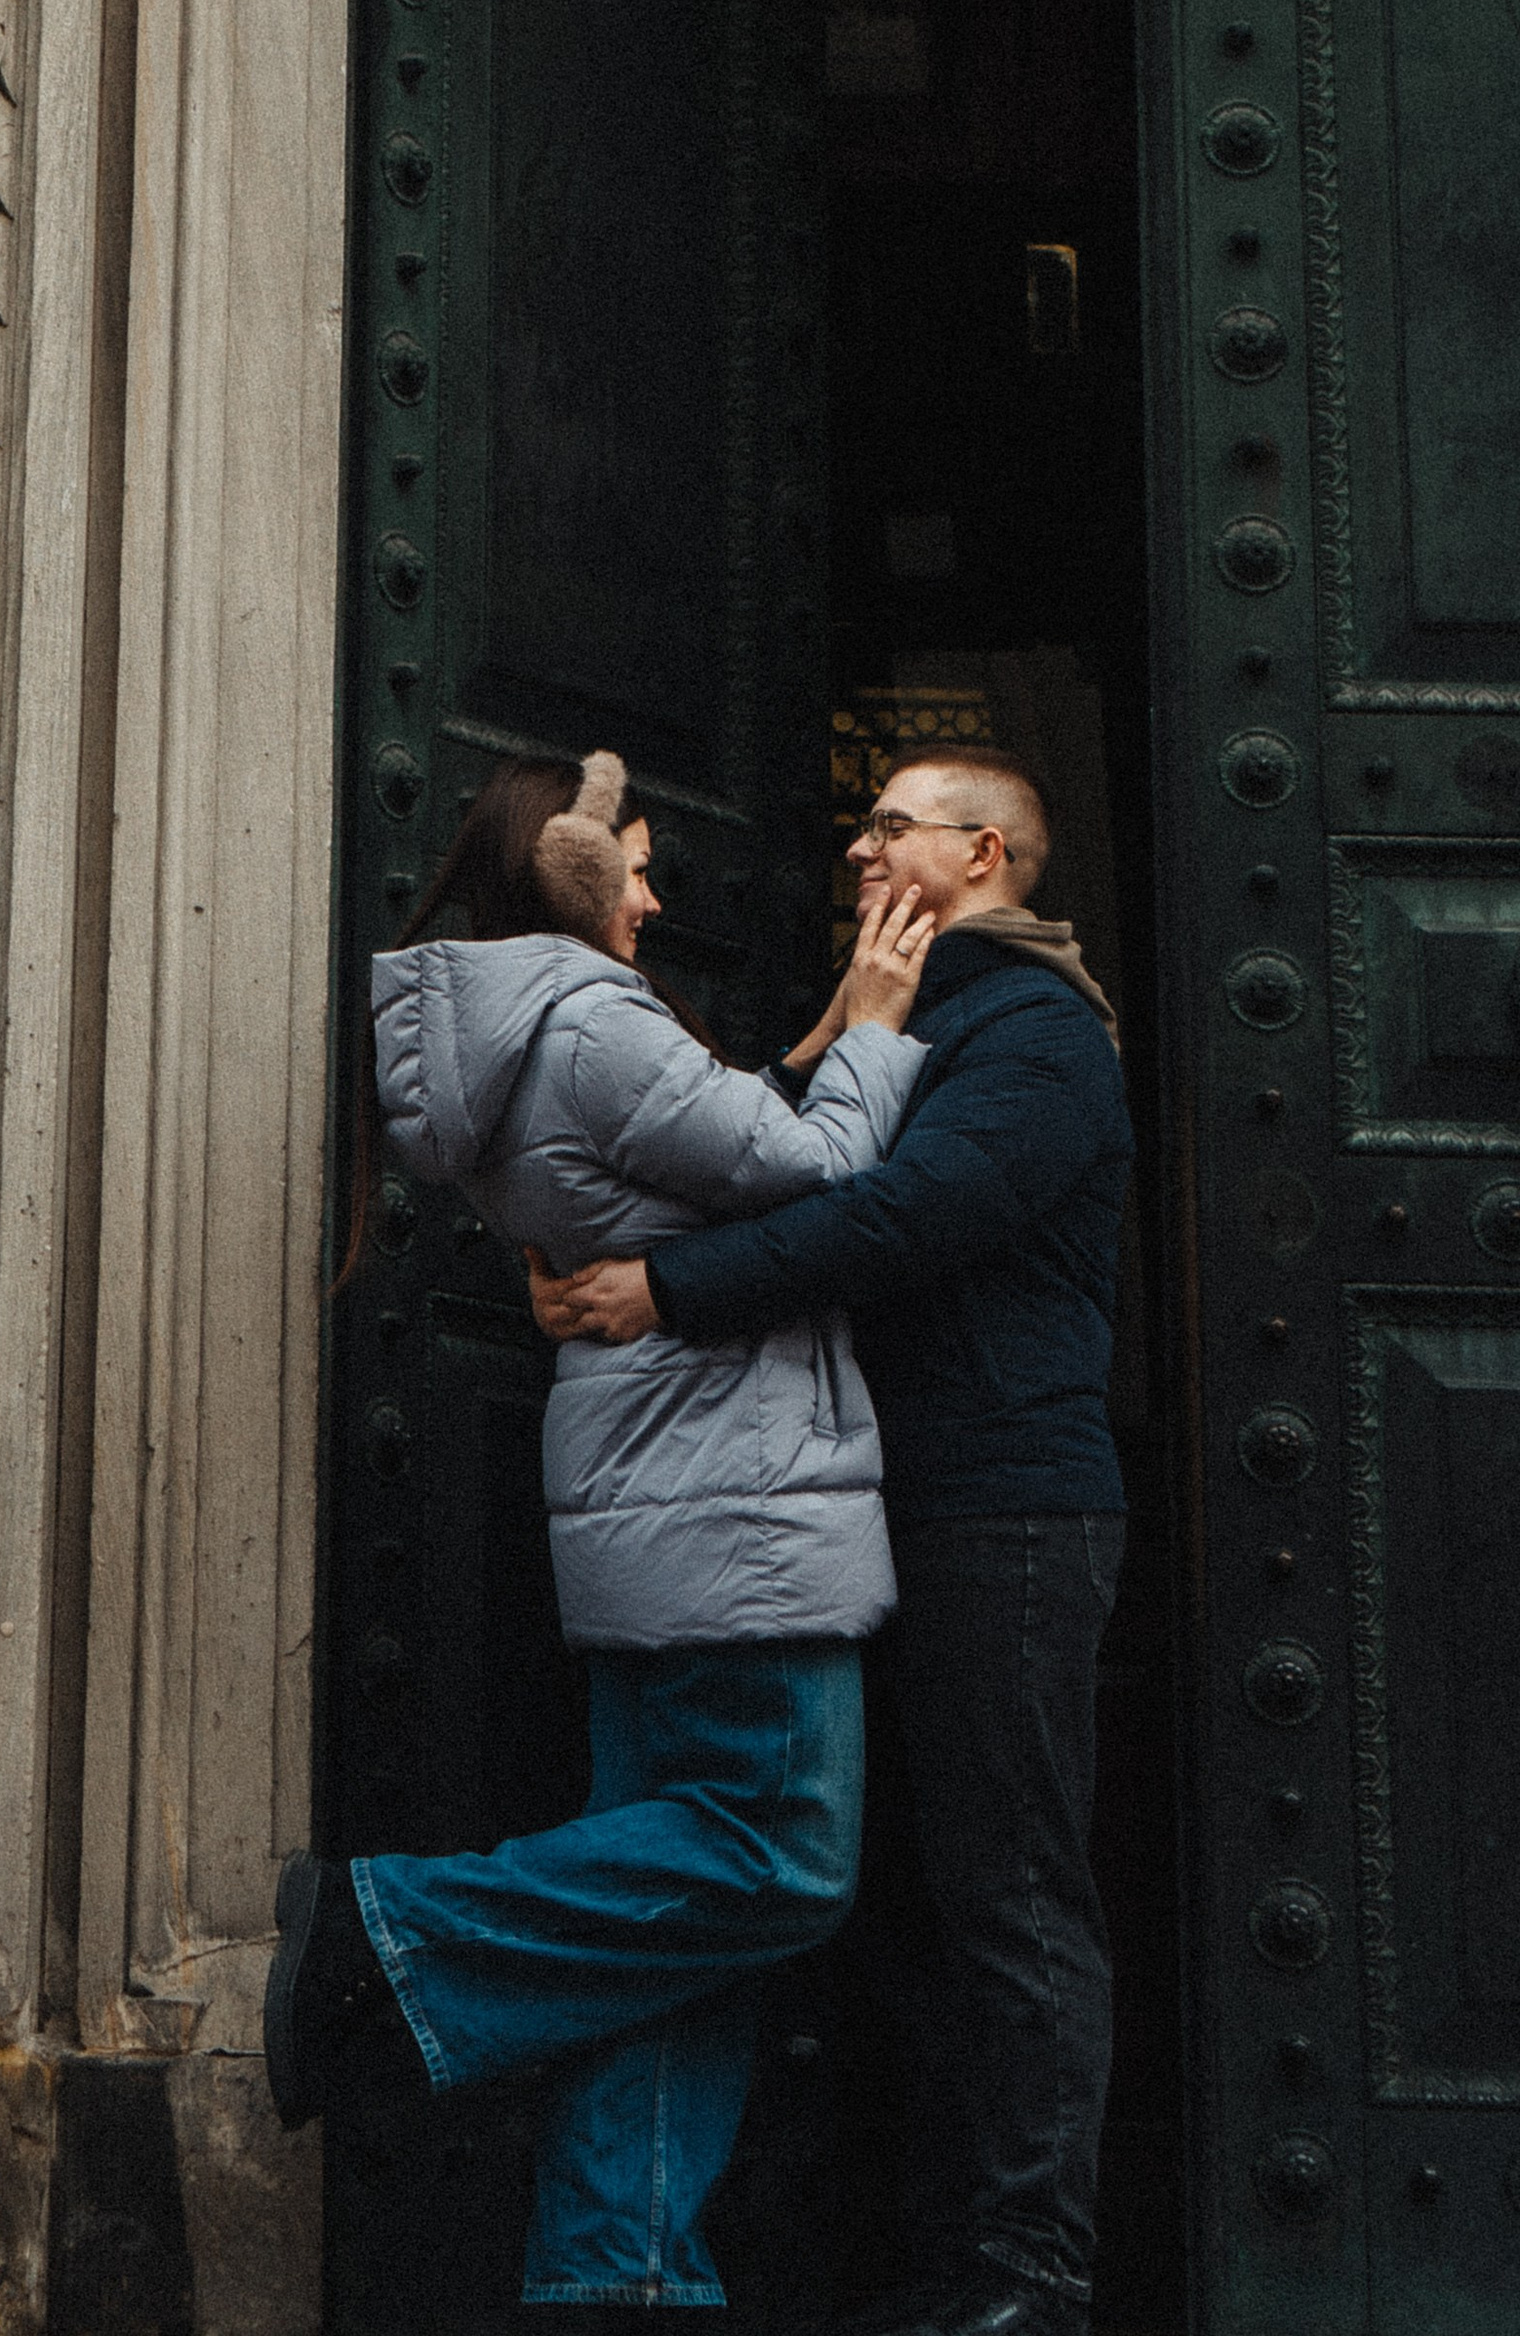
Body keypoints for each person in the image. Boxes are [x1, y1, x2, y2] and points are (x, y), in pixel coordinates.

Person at [266, 745, 936, 2321]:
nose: (652, 894)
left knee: (676, 1933)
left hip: (660, 1500)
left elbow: (710, 1161)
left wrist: (815, 1046)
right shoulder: (592, 1019)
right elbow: (817, 1169)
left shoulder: (522, 1036)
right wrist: (878, 1033)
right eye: (633, 863)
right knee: (781, 1860)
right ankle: (391, 1935)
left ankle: (613, 2277)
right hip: (734, 1501)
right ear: (566, 873)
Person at [532, 752, 1135, 2336]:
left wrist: (663, 1293)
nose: (860, 851)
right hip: (873, 1508)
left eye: (890, 826)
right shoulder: (898, 1017)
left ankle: (1029, 2282)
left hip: (1005, 1511)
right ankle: (925, 2266)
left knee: (1008, 1897)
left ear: (985, 854)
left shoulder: (1036, 1031)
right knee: (887, 1902)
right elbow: (762, 1170)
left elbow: (900, 1217)